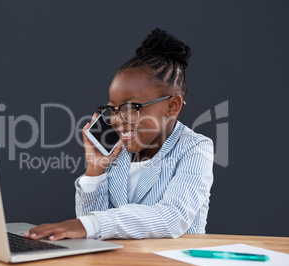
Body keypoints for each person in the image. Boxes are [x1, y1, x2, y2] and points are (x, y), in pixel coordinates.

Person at [24, 27, 214, 241]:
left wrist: (90, 224)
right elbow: (92, 237)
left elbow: (172, 217)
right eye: (113, 108)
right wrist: (96, 171)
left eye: (130, 107)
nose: (116, 119)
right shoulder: (117, 151)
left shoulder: (195, 148)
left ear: (172, 106)